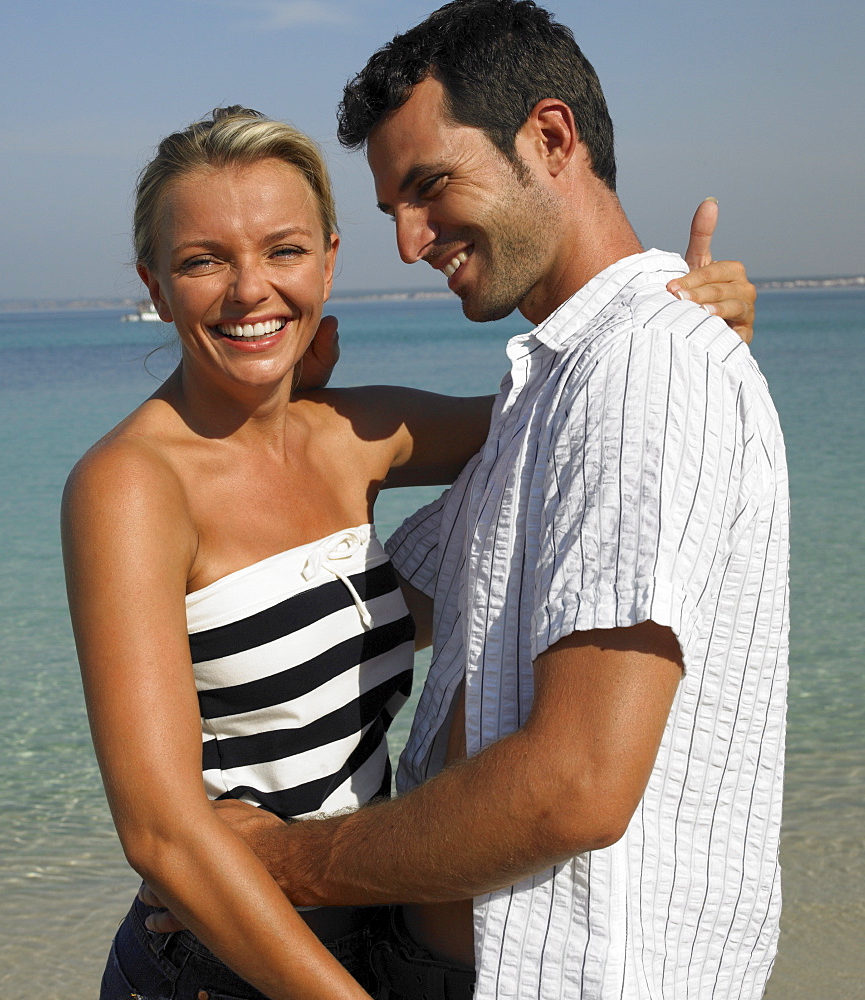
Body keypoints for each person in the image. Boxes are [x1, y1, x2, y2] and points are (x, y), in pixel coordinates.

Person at [143, 3, 787, 999]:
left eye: (430, 185)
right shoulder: (561, 384)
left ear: (551, 137)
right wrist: (281, 402)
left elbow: (573, 792)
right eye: (393, 207)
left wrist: (267, 866)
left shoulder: (645, 372)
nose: (408, 241)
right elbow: (387, 607)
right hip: (435, 961)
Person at [62, 106, 501, 1000]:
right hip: (229, 963)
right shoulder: (132, 486)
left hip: (376, 915)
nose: (248, 289)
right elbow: (161, 835)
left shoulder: (347, 434)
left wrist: (684, 330)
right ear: (155, 281)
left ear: (330, 260)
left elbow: (564, 430)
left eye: (283, 251)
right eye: (203, 260)